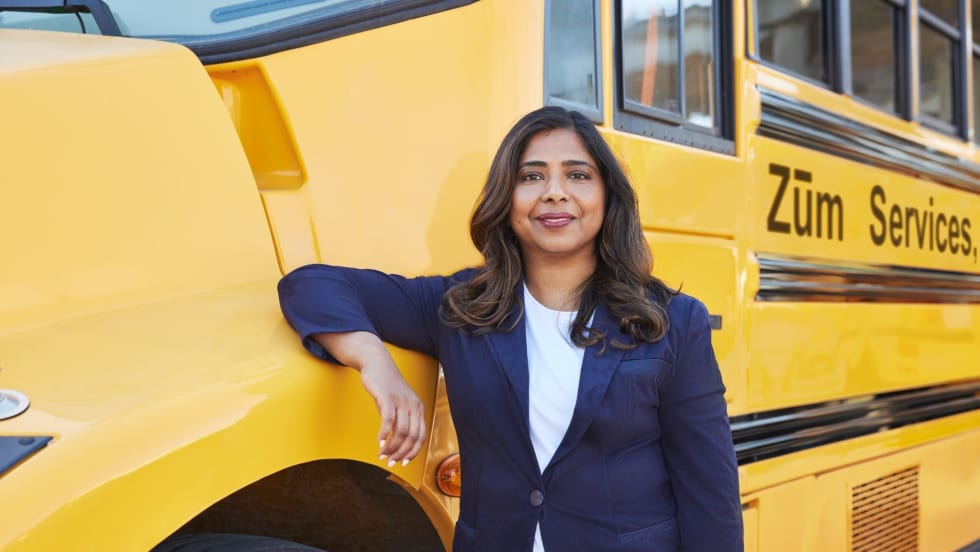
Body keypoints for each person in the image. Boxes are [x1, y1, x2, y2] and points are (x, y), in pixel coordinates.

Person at [278, 106, 743, 551]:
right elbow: (310, 284)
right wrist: (375, 364)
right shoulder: (461, 308)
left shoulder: (673, 321)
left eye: (577, 175)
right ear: (507, 199)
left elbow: (709, 492)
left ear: (607, 196)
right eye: (531, 176)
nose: (554, 192)